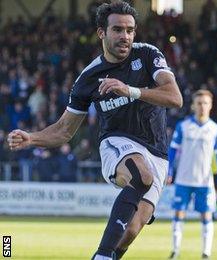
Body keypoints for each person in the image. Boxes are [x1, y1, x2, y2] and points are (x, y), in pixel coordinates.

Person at [7, 2, 182, 259]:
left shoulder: (147, 55)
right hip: (117, 142)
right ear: (102, 32)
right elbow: (65, 130)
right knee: (140, 174)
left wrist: (129, 90)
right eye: (118, 29)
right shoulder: (89, 78)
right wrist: (32, 138)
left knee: (131, 230)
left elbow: (175, 97)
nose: (126, 36)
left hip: (157, 150)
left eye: (130, 30)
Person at [167, 90, 217, 260]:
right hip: (183, 179)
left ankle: (206, 252)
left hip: (205, 181)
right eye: (199, 103)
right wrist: (169, 170)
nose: (202, 106)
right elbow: (172, 151)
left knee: (206, 216)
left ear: (211, 105)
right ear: (193, 105)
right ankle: (175, 250)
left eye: (205, 103)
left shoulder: (215, 129)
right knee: (178, 214)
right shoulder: (183, 126)